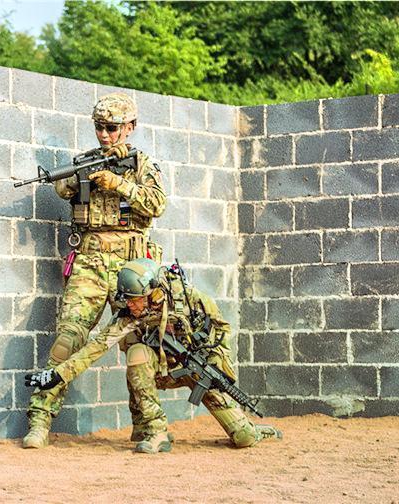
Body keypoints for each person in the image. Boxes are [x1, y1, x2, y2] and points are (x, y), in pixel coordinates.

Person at [23, 92, 167, 448]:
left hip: (132, 266)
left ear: (130, 127)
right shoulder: (87, 161)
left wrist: (117, 182)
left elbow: (157, 204)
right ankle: (40, 419)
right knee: (68, 339)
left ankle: (148, 426)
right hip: (89, 260)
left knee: (138, 345)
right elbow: (61, 188)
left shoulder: (142, 164)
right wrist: (82, 176)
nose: (104, 134)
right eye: (100, 127)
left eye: (112, 128)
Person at [26, 258, 282, 453]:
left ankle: (253, 429)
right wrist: (56, 374)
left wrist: (214, 361)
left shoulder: (190, 299)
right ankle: (156, 431)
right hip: (160, 371)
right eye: (126, 300)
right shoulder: (130, 317)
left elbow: (222, 329)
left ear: (152, 292)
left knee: (243, 438)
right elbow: (95, 349)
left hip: (198, 369)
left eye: (134, 299)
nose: (129, 305)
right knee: (137, 353)